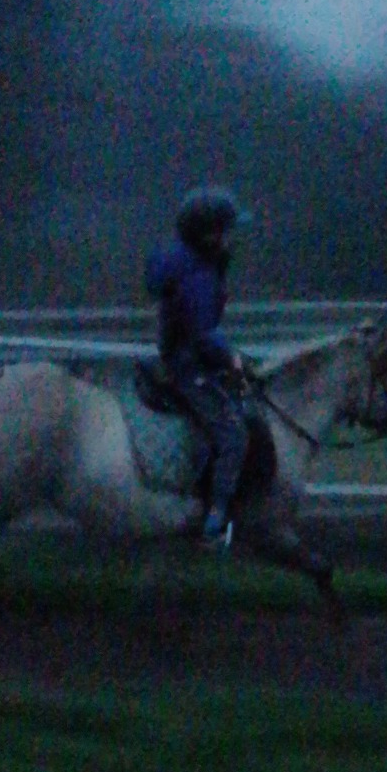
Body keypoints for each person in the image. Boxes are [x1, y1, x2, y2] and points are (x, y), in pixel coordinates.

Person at [144, 185, 252, 549]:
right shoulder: (198, 274)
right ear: (207, 234)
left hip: (179, 359)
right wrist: (232, 358)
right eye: (226, 231)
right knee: (234, 435)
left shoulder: (183, 263)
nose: (231, 239)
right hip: (189, 366)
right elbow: (204, 332)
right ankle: (214, 525)